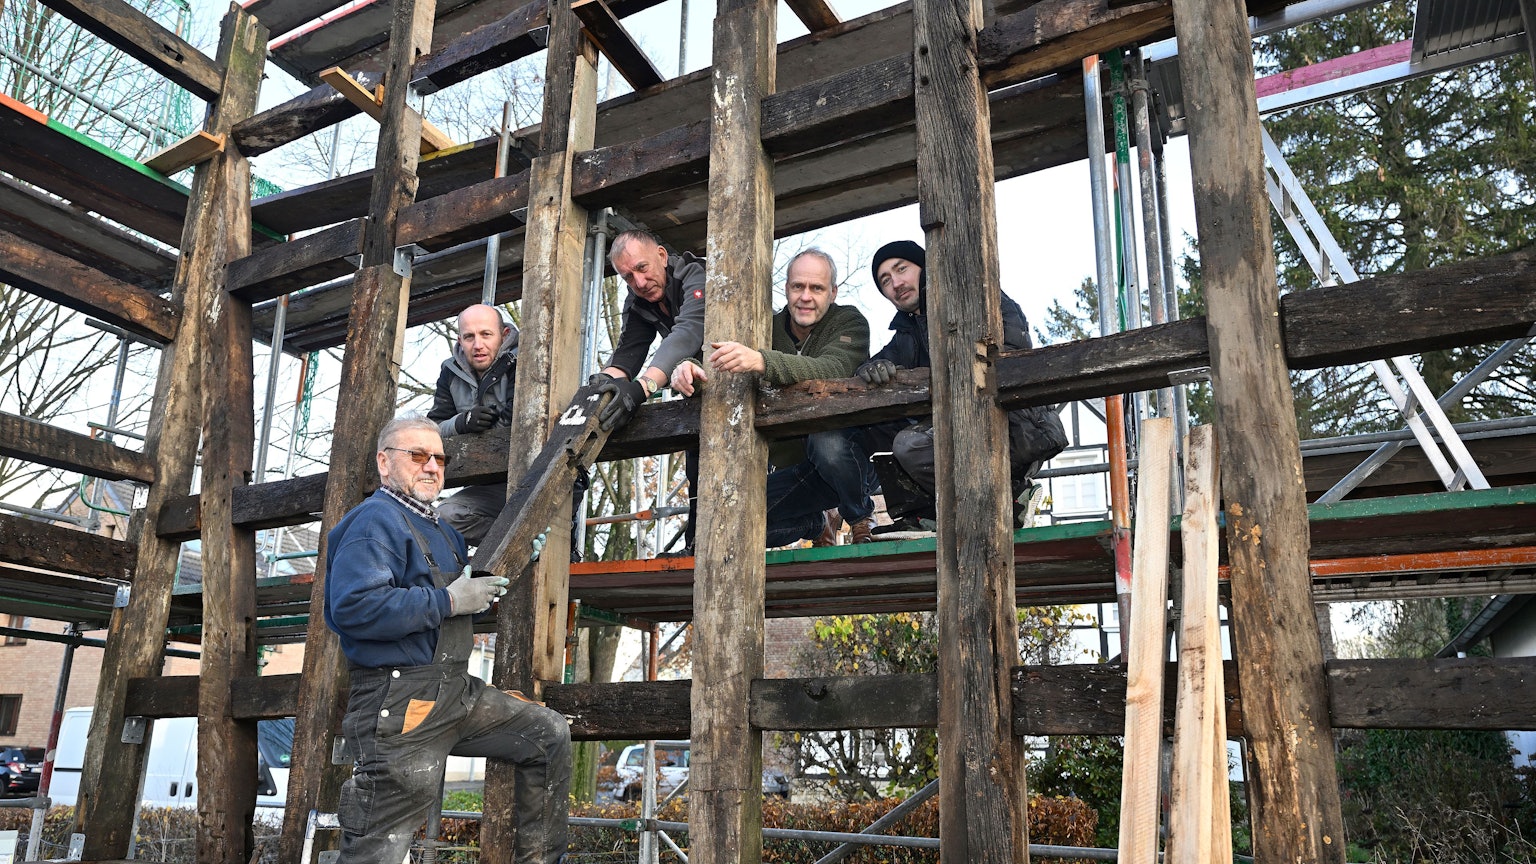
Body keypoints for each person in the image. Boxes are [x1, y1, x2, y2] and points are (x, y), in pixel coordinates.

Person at [325, 414, 570, 864]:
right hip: (399, 701)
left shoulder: (444, 532)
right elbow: (353, 609)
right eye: (417, 455)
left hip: (456, 691)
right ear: (384, 462)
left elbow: (459, 597)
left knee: (547, 734)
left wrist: (508, 570)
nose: (432, 466)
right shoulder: (373, 523)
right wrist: (451, 601)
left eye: (439, 457)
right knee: (379, 846)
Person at [670, 248, 875, 546]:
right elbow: (726, 361)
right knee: (728, 520)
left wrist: (762, 361)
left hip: (846, 469)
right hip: (794, 473)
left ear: (832, 293)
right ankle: (815, 523)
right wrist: (689, 369)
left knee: (827, 441)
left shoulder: (849, 323)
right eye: (798, 286)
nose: (805, 296)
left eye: (816, 288)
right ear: (786, 288)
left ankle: (860, 516)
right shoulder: (764, 327)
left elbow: (835, 369)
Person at [857, 240, 1068, 526]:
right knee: (882, 432)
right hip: (956, 434)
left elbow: (1008, 347)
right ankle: (931, 513)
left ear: (924, 266)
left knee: (910, 443)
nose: (896, 282)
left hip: (1017, 427)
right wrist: (870, 369)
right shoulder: (905, 336)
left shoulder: (974, 294)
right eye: (885, 280)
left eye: (901, 269)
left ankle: (1010, 496)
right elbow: (875, 366)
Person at [589, 229, 707, 552]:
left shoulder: (696, 276)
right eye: (628, 277)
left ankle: (814, 520)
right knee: (696, 462)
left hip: (741, 377)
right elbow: (626, 355)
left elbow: (686, 334)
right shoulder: (640, 301)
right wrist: (599, 392)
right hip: (696, 389)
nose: (638, 283)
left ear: (662, 256)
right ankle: (697, 544)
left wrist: (640, 390)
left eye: (642, 268)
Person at [426, 304, 519, 545]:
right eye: (469, 337)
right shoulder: (450, 372)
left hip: (532, 475)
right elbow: (430, 430)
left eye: (486, 334)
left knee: (534, 518)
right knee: (439, 517)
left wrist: (484, 430)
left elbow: (518, 423)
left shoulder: (524, 360)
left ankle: (540, 538)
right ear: (460, 340)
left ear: (504, 335)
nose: (477, 345)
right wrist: (462, 423)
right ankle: (520, 541)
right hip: (486, 485)